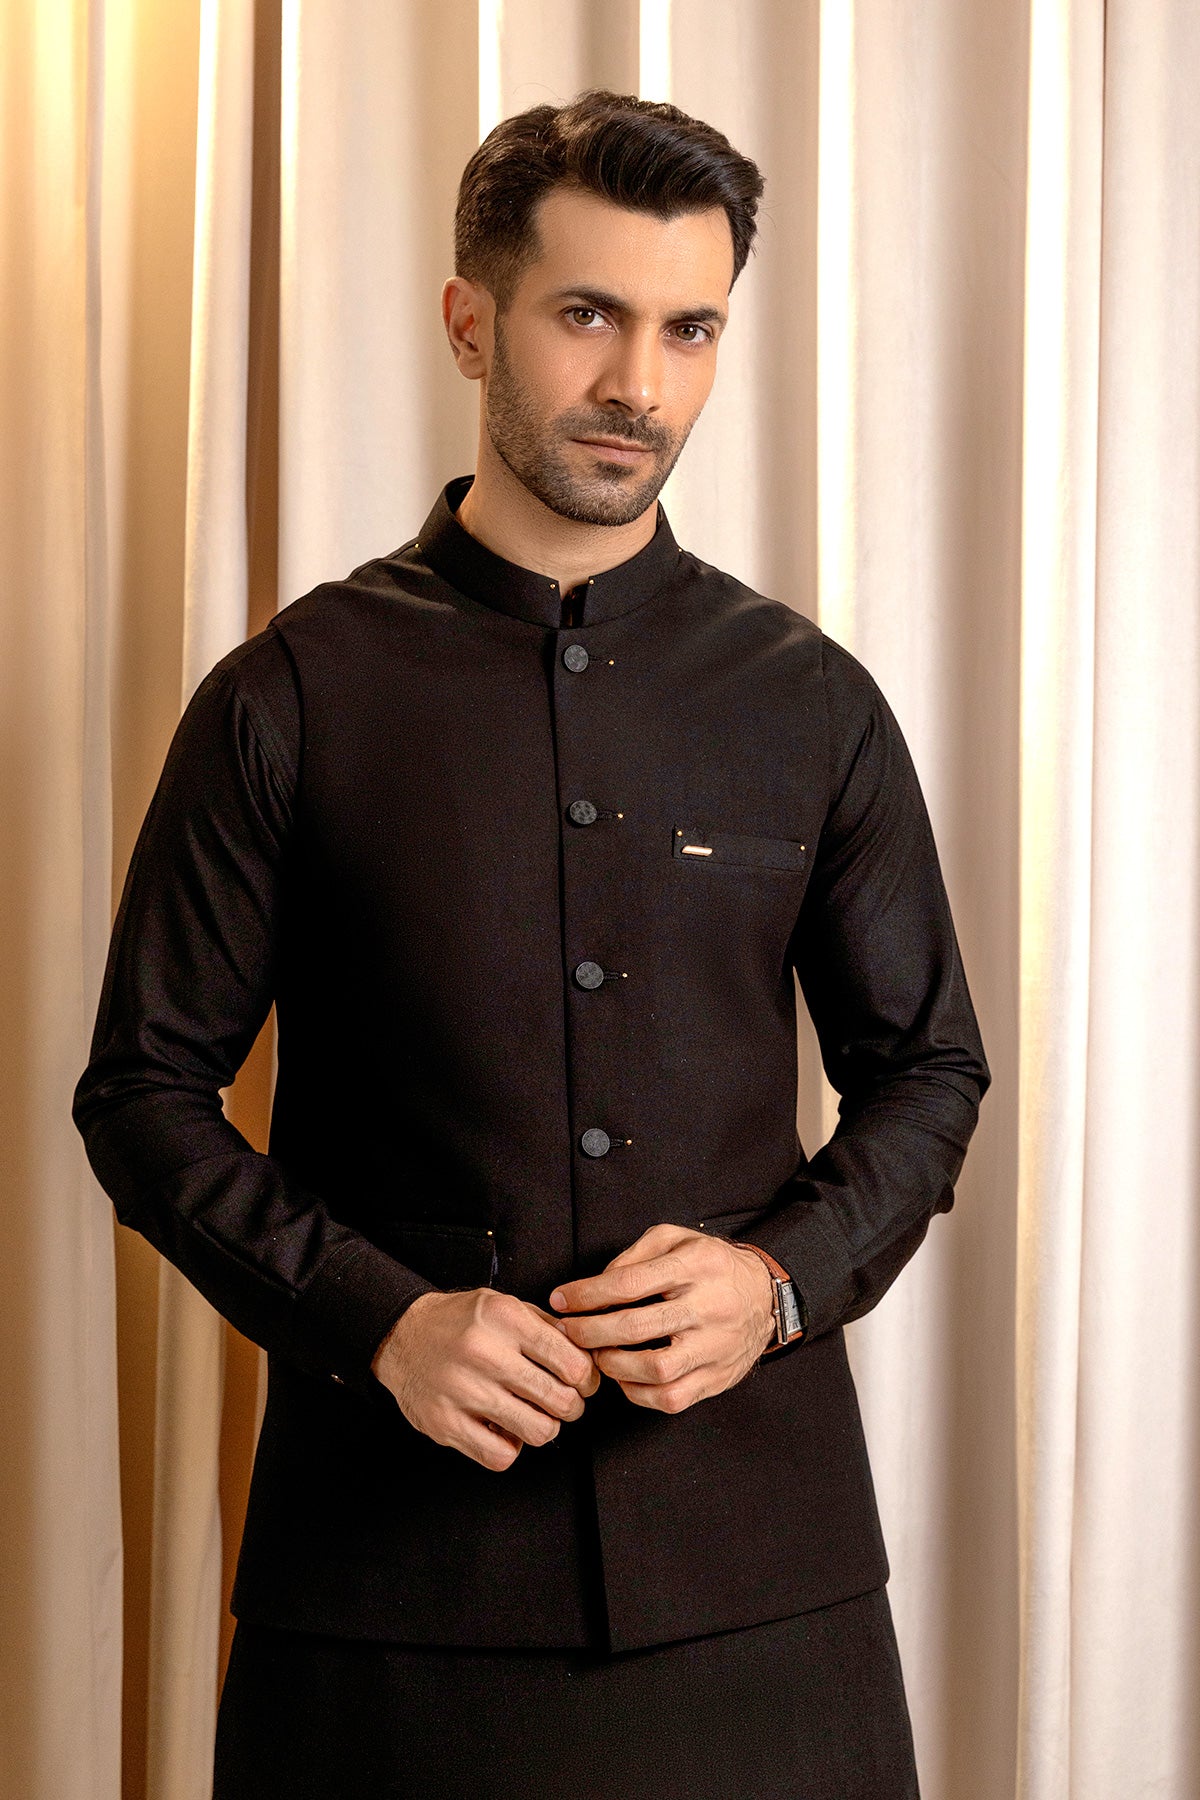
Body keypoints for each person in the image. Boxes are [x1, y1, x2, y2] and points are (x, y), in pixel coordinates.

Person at [74, 88, 989, 1800]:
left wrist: (780, 1284)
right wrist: (376, 1319)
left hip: (765, 1592)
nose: (640, 381)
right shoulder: (290, 695)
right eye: (588, 314)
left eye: (689, 330)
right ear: (469, 321)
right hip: (386, 1599)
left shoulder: (812, 703)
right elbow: (142, 1093)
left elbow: (930, 1068)